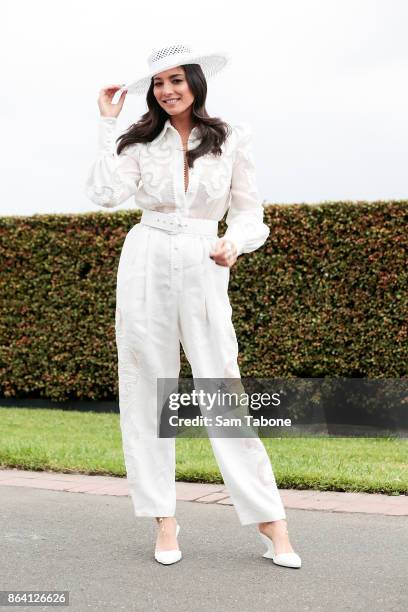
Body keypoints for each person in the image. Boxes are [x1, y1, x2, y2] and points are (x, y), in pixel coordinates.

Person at [84, 43, 301, 569]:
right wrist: (108, 124)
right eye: (158, 83)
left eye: (176, 79)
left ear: (196, 83)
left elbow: (251, 213)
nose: (168, 90)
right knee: (146, 385)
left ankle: (272, 522)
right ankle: (163, 518)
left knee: (221, 383)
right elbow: (105, 194)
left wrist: (236, 242)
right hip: (147, 258)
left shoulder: (229, 138)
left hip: (205, 259)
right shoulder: (137, 139)